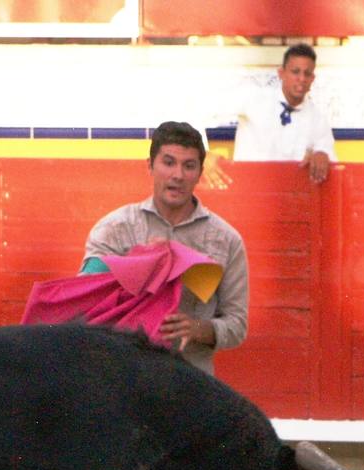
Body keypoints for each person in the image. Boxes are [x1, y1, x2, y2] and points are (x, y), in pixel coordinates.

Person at [81, 120, 248, 374]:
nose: (178, 175)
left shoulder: (226, 239)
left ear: (199, 172)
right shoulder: (114, 229)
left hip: (191, 379)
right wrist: (138, 264)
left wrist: (199, 329)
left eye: (188, 166)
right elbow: (86, 300)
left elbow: (237, 325)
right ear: (150, 166)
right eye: (168, 163)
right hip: (123, 376)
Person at [200, 43, 336, 187]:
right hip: (248, 193)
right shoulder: (253, 98)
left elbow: (330, 160)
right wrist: (202, 154)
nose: (301, 78)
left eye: (307, 73)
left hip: (290, 198)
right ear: (281, 73)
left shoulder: (318, 120)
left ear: (312, 78)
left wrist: (322, 156)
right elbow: (199, 108)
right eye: (295, 72)